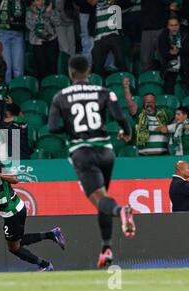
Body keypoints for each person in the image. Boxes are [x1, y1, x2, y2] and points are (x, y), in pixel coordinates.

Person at [48, 55, 136, 268]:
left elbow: (52, 128)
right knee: (102, 197)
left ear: (71, 72)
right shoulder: (104, 92)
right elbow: (120, 117)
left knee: (100, 200)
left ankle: (121, 211)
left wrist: (71, 129)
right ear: (89, 71)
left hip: (83, 152)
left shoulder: (61, 96)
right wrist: (126, 133)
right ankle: (106, 248)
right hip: (106, 152)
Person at [0, 145, 65, 271]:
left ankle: (45, 265)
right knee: (18, 242)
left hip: (13, 212)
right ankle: (52, 234)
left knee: (13, 248)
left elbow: (15, 179)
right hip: (14, 209)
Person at [123, 77, 170, 156]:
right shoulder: (139, 114)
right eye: (146, 102)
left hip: (163, 157)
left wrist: (167, 128)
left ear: (156, 103)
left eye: (151, 102)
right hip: (144, 158)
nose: (149, 104)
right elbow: (129, 102)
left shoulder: (165, 114)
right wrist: (126, 88)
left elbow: (177, 122)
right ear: (143, 104)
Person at [26, 0, 61, 81]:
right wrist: (36, 14)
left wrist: (49, 13)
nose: (40, 1)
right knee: (40, 68)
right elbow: (29, 26)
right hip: (37, 42)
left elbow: (58, 23)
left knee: (52, 66)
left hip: (51, 40)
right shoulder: (29, 11)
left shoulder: (50, 8)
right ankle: (43, 90)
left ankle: (53, 87)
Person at [90, 0, 127, 77]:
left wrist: (115, 2)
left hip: (113, 33)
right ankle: (100, 87)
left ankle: (125, 84)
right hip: (98, 37)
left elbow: (124, 4)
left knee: (121, 61)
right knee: (98, 67)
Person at [158, 17, 189, 95]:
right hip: (170, 65)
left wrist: (178, 51)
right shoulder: (163, 36)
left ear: (179, 25)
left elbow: (188, 48)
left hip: (185, 64)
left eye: (176, 25)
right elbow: (163, 52)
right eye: (171, 25)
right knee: (169, 86)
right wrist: (170, 53)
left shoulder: (185, 34)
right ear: (168, 26)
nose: (174, 27)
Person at [0, 0, 26, 83]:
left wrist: (15, 19)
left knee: (18, 68)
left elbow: (25, 13)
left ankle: (18, 91)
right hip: (3, 32)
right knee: (6, 68)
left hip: (17, 33)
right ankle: (7, 92)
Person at [140, 0, 170, 72]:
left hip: (161, 28)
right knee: (145, 60)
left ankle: (166, 79)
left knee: (163, 58)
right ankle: (148, 81)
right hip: (146, 29)